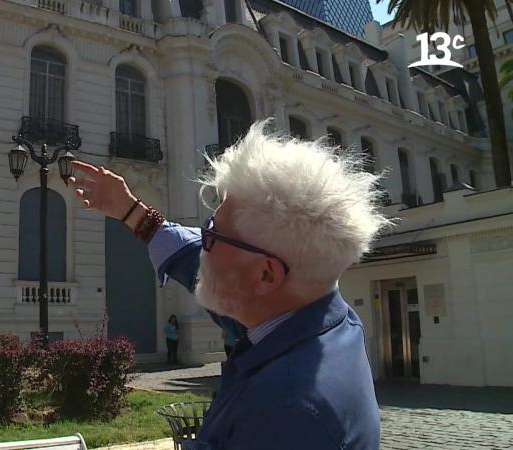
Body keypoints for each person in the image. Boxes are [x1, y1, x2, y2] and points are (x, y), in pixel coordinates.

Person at [69, 120, 386, 449]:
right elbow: (199, 261)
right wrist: (132, 212)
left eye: (213, 234)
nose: (202, 241)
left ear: (265, 275)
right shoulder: (321, 315)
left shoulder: (285, 413)